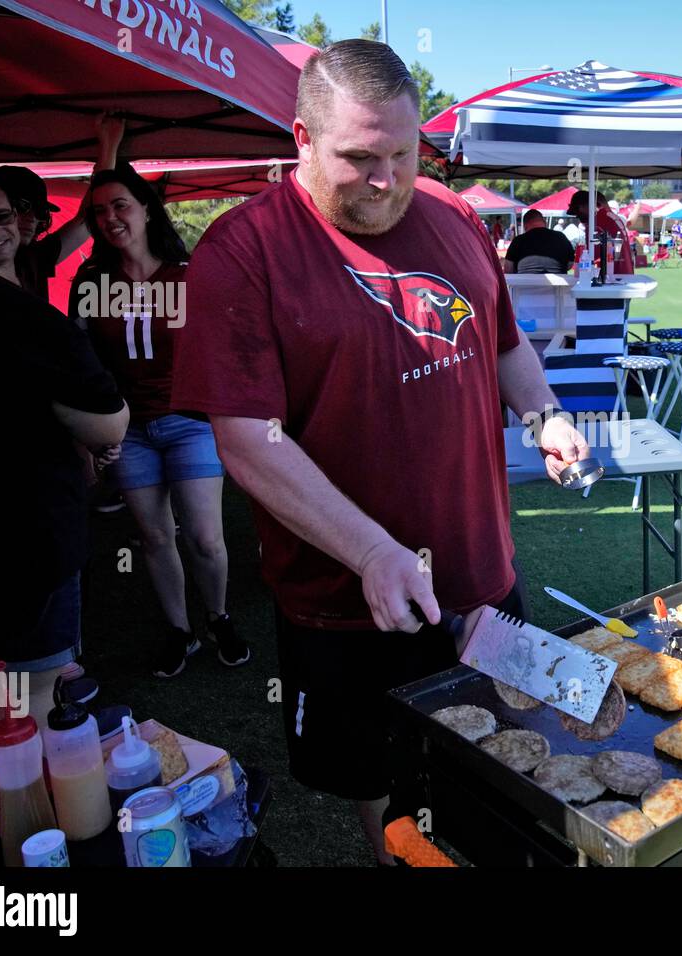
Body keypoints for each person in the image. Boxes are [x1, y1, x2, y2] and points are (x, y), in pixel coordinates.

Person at [168, 40, 592, 865]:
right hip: (346, 600)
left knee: (511, 750)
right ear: (301, 137)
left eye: (403, 153)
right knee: (384, 787)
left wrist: (543, 415)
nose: (387, 179)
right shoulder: (241, 253)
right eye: (360, 158)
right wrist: (370, 551)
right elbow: (246, 442)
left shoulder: (455, 215)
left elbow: (504, 345)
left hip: (482, 570)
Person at [0, 154, 129, 757]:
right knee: (19, 698)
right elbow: (108, 421)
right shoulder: (26, 320)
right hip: (15, 541)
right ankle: (1, 836)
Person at [69, 166, 249, 678]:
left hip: (189, 423)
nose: (109, 218)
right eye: (99, 211)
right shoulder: (92, 281)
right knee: (154, 537)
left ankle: (218, 616)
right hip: (129, 432)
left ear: (146, 208)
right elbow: (80, 360)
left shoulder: (189, 272)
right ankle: (179, 630)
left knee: (207, 538)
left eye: (120, 205)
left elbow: (225, 349)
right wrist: (92, 431)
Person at [0, 114, 125, 304]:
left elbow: (85, 220)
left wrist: (109, 146)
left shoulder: (35, 257)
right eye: (23, 207)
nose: (32, 218)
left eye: (40, 211)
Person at [567, 190, 635, 275]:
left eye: (578, 210)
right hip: (624, 274)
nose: (577, 216)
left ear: (585, 206)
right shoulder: (614, 217)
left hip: (610, 280)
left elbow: (595, 260)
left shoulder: (595, 224)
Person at [502, 209, 574, 274]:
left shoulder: (518, 240)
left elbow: (508, 269)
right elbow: (570, 264)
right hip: (558, 287)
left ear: (525, 226)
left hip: (525, 287)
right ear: (544, 222)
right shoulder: (560, 237)